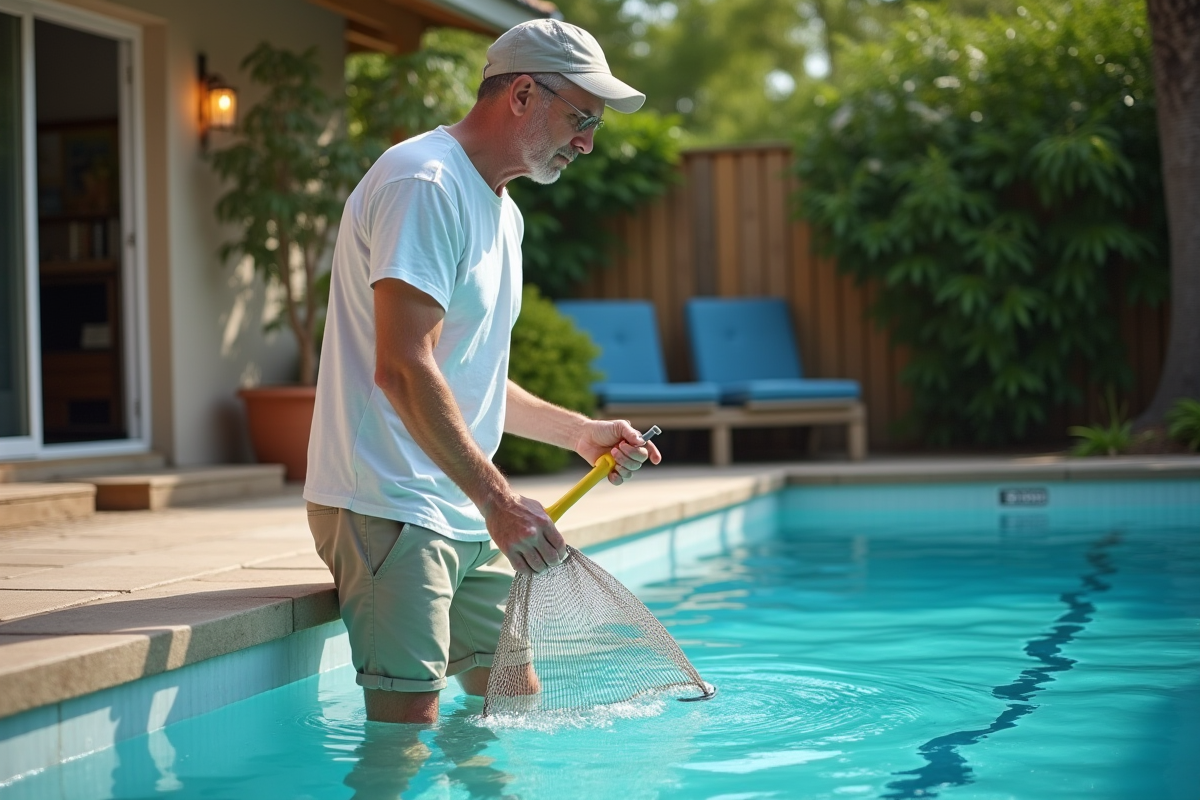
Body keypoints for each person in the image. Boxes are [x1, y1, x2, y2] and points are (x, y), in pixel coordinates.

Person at [303, 18, 661, 725]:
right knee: (405, 734)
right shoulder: (425, 182)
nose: (587, 141)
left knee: (514, 701)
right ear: (524, 93)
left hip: (460, 508)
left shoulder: (503, 211)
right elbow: (403, 368)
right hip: (391, 504)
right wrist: (501, 503)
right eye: (581, 118)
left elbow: (463, 372)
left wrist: (579, 433)